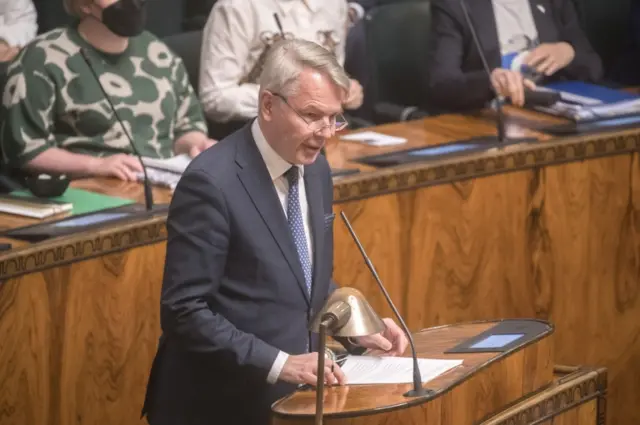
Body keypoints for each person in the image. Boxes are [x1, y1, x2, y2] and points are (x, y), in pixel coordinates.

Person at [142, 39, 408, 425]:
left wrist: (356, 327)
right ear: (268, 104)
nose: (326, 132)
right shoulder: (211, 183)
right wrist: (282, 364)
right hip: (220, 404)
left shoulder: (315, 169)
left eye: (335, 117)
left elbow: (297, 279)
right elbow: (185, 313)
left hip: (292, 404)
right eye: (313, 115)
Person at [0, 0, 214, 181]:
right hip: (88, 190)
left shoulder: (159, 53)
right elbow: (25, 150)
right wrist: (95, 165)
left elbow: (187, 127)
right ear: (85, 5)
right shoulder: (42, 58)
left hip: (161, 188)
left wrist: (195, 146)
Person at [198, 0, 364, 138]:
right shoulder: (236, 7)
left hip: (324, 134)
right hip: (256, 137)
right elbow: (215, 95)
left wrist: (343, 88)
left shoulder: (335, 4)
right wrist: (287, 98)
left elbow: (332, 72)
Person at [426, 0, 603, 112]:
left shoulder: (554, 3)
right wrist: (490, 83)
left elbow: (594, 68)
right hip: (490, 121)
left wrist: (568, 52)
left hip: (553, 116)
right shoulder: (455, 5)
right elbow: (442, 85)